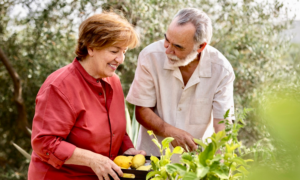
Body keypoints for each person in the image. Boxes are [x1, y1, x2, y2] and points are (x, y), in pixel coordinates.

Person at [28, 12, 145, 180]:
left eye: (124, 52)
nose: (121, 59)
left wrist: (127, 150)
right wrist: (92, 160)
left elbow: (115, 131)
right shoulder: (59, 86)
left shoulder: (114, 82)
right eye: (114, 51)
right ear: (91, 47)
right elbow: (44, 143)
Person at [126, 8, 235, 160]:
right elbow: (142, 110)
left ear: (201, 47)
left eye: (178, 47)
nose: (168, 50)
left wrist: (220, 165)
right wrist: (169, 131)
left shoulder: (222, 70)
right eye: (167, 40)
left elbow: (223, 125)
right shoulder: (149, 56)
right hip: (153, 159)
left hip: (196, 164)